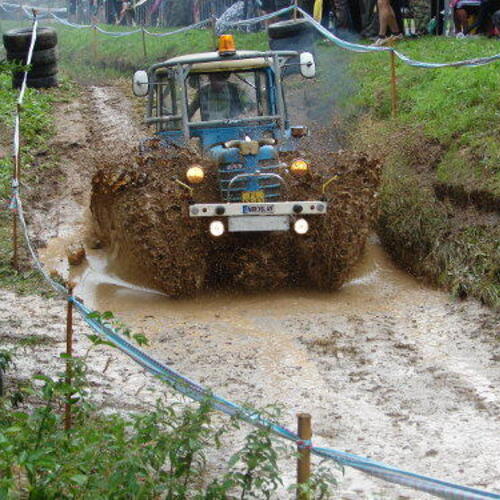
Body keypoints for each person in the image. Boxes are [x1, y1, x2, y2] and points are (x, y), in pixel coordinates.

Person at [188, 73, 253, 122]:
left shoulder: (235, 90)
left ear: (225, 78)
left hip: (233, 127)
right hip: (208, 130)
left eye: (220, 79)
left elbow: (251, 106)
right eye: (215, 78)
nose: (217, 82)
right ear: (210, 78)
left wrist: (243, 115)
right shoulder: (202, 92)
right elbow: (190, 111)